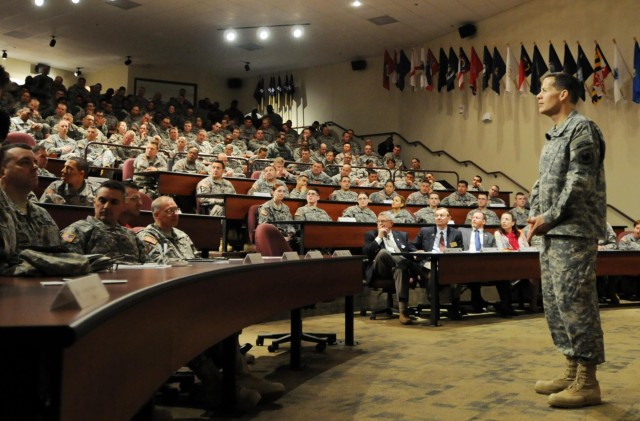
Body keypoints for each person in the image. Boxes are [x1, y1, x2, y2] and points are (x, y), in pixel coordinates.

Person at [528, 72, 607, 408]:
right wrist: (534, 213)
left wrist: (550, 216)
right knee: (557, 305)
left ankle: (587, 381)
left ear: (563, 94)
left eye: (544, 90)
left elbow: (579, 181)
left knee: (576, 304)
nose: (538, 95)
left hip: (573, 231)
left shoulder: (581, 128)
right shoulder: (554, 135)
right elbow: (541, 182)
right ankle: (572, 369)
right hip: (552, 233)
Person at [0, 143, 62, 270]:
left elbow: (58, 257)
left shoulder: (43, 214)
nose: (35, 167)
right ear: (2, 171)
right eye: (25, 162)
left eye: (35, 162)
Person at [60, 180, 148, 264]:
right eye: (102, 200)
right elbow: (69, 265)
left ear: (123, 206)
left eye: (114, 202)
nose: (106, 206)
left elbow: (149, 265)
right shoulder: (77, 230)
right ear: (94, 202)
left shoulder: (131, 235)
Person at [363, 211, 419, 325]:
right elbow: (367, 253)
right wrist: (379, 237)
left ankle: (403, 312)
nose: (380, 223)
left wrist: (416, 252)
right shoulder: (371, 235)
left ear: (391, 223)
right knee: (383, 252)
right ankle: (410, 266)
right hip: (380, 269)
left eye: (383, 221)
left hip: (397, 269)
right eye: (378, 221)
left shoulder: (402, 235)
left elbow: (409, 249)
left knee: (400, 268)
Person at [411, 207, 464, 319]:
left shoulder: (456, 233)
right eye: (436, 215)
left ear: (449, 218)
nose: (438, 218)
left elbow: (460, 250)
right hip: (428, 262)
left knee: (457, 277)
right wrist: (417, 251)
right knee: (433, 273)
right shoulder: (425, 231)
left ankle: (455, 306)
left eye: (442, 215)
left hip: (448, 264)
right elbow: (412, 245)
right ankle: (434, 306)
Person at [459, 211, 500, 314]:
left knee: (503, 278)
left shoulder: (490, 236)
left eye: (477, 218)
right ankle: (480, 303)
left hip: (484, 267)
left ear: (484, 221)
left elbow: (493, 254)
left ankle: (505, 307)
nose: (473, 219)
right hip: (464, 265)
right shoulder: (462, 231)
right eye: (473, 217)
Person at [136, 196, 199, 263]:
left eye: (176, 210)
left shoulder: (182, 235)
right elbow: (157, 262)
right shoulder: (146, 237)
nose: (175, 214)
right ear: (156, 215)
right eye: (170, 211)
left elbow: (197, 260)